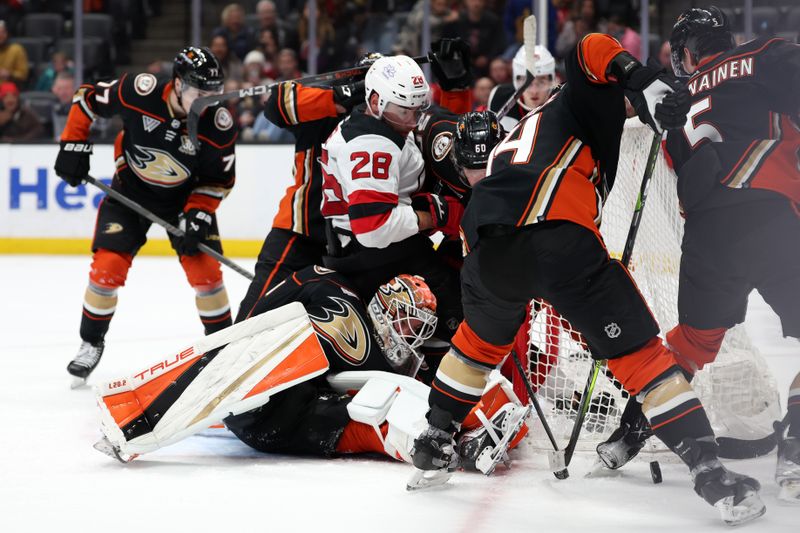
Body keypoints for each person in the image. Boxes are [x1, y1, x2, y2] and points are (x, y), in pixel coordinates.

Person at [409, 32, 768, 525]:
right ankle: (710, 473)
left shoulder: (527, 127)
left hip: (488, 246)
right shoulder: (580, 99)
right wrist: (641, 77)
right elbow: (589, 46)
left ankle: (433, 441)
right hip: (556, 235)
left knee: (476, 343)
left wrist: (643, 100)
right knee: (642, 359)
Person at [598, 6, 800, 504]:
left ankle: (631, 430)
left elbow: (610, 92)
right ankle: (795, 447)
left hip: (708, 236)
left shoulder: (671, 98)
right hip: (772, 218)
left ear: (686, 53)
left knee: (691, 342)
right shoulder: (762, 56)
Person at [95, 267, 529, 470]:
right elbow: (264, 324)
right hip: (269, 412)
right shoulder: (340, 303)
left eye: (418, 328)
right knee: (377, 412)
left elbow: (284, 297)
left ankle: (484, 423)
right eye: (409, 322)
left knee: (401, 393)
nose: (410, 335)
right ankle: (439, 444)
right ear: (388, 307)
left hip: (284, 399)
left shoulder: (334, 288)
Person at [54, 47, 237, 386]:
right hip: (130, 191)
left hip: (185, 199)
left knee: (208, 276)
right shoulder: (140, 90)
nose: (209, 101)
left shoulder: (218, 124)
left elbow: (219, 181)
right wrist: (72, 144)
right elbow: (87, 98)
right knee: (107, 269)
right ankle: (90, 342)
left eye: (214, 93)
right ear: (178, 84)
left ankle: (223, 351)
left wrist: (198, 214)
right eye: (201, 92)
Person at [319, 54, 465, 343]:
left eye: (417, 107)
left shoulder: (379, 120)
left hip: (375, 250)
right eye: (404, 110)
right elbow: (373, 228)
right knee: (456, 317)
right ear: (375, 101)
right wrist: (435, 215)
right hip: (374, 259)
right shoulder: (372, 145)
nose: (413, 119)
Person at [488, 44, 557, 132]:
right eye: (526, 83)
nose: (534, 91)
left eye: (541, 82)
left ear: (552, 80)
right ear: (516, 80)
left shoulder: (562, 102)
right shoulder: (500, 97)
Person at [0, 20, 27, 87]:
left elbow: (23, 75)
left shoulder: (16, 50)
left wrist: (9, 74)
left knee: (8, 89)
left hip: (9, 86)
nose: (0, 36)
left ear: (7, 34)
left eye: (2, 32)